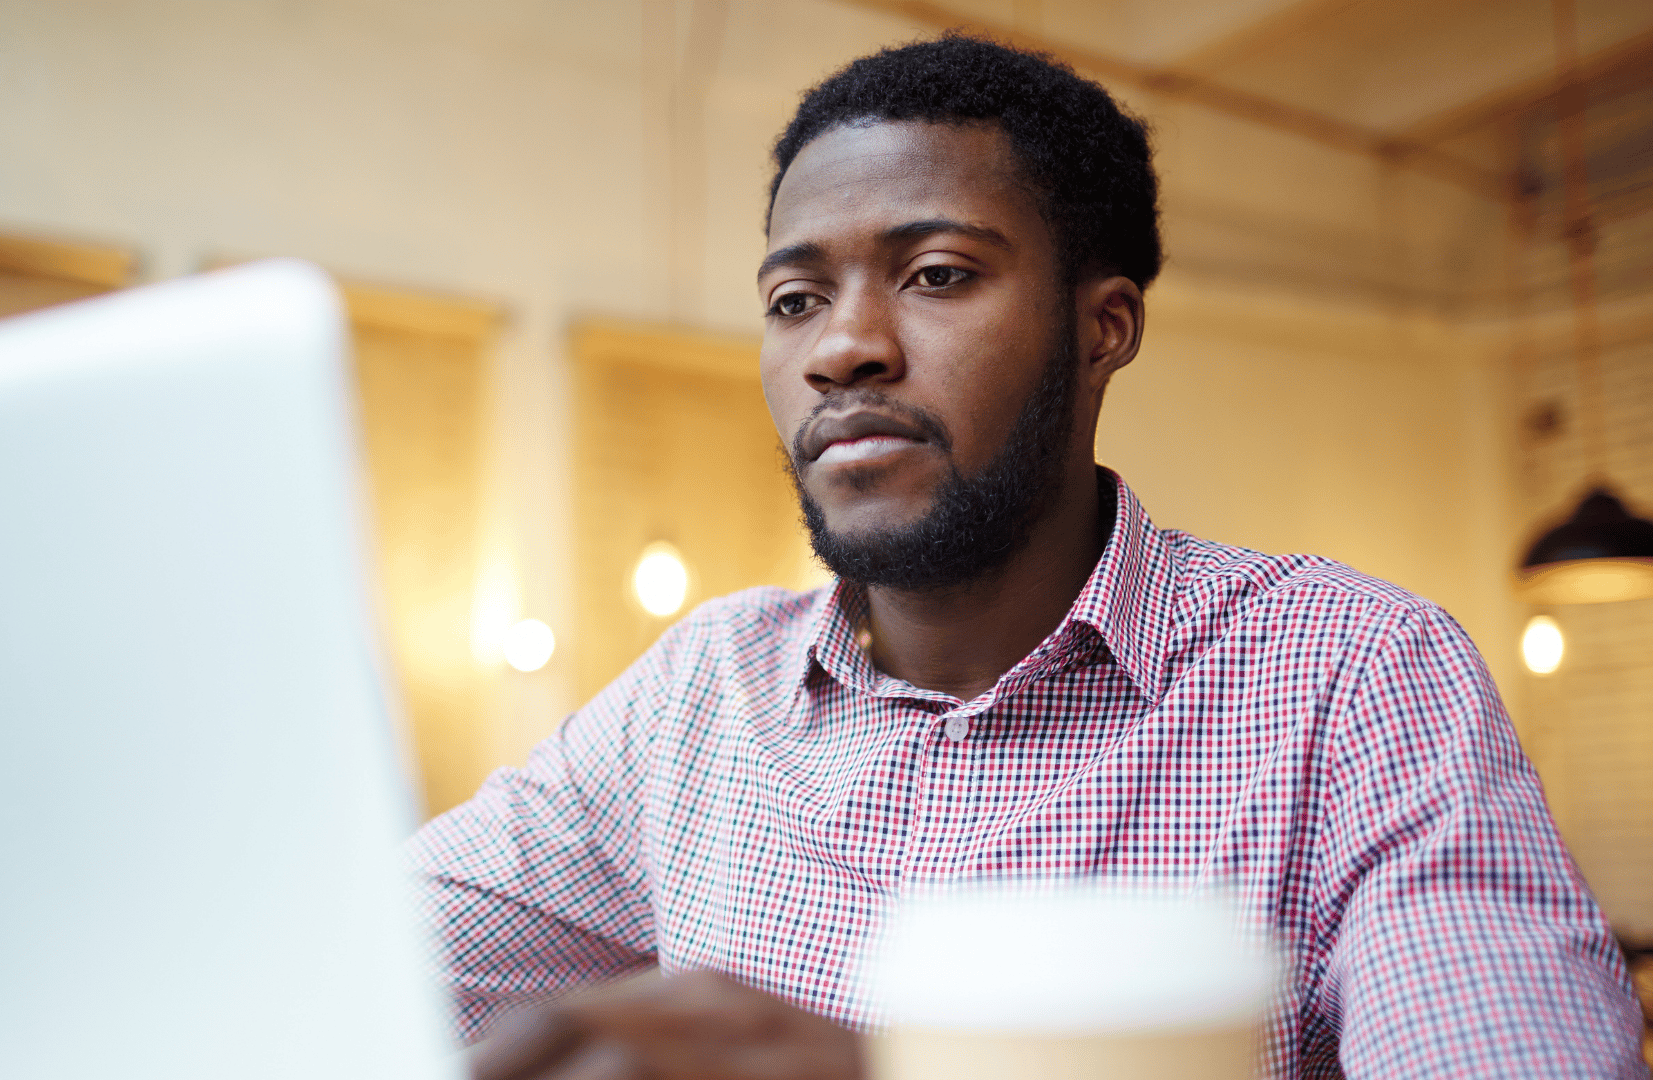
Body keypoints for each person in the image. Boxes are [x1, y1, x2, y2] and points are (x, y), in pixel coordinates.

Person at [408, 35, 1649, 1079]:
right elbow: (338, 968)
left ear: (1103, 328)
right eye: (794, 300)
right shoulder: (696, 697)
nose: (843, 349)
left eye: (937, 275)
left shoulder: (1355, 677)